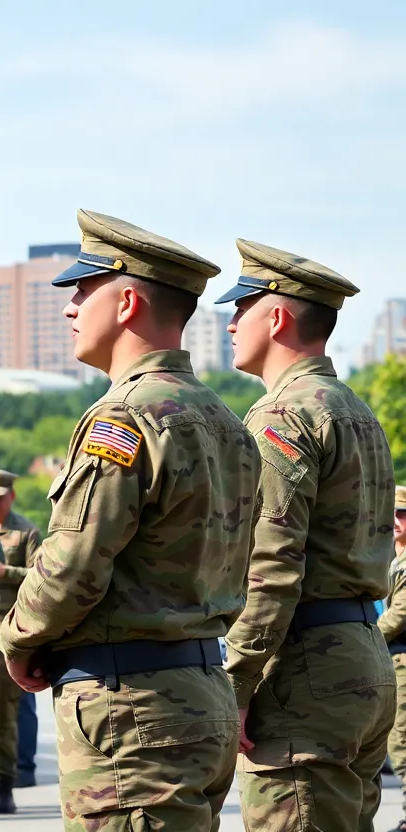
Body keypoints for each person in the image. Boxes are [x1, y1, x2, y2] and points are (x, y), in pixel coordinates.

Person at [0, 210, 261, 830]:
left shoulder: (124, 417)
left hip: (132, 706)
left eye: (83, 289)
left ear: (127, 302)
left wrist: (19, 638)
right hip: (199, 689)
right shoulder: (229, 423)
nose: (70, 307)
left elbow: (74, 563)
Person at [217, 240, 395, 831]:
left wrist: (236, 685)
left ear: (277, 316)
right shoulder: (355, 411)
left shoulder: (282, 415)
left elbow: (271, 566)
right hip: (361, 654)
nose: (231, 322)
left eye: (241, 307)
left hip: (305, 673)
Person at [0, 468, 40, 815]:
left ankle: (5, 783)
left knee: (7, 714)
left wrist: (6, 573)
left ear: (10, 496)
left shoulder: (26, 532)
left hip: (8, 631)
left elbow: (43, 576)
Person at [383, 486, 406, 832]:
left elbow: (399, 615)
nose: (396, 521)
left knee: (402, 741)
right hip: (393, 658)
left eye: (403, 514)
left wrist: (364, 634)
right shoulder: (393, 559)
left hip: (402, 659)